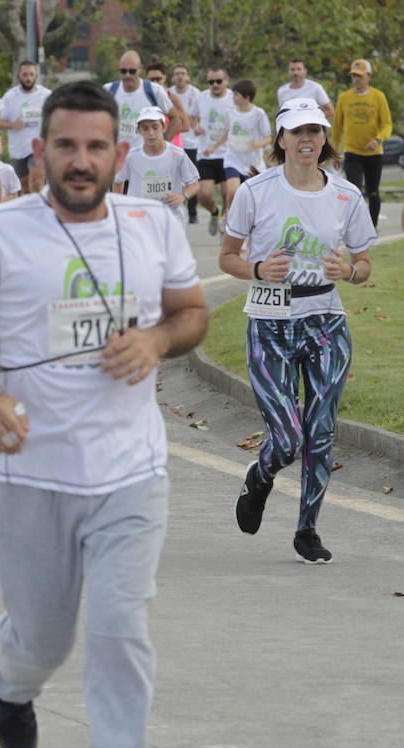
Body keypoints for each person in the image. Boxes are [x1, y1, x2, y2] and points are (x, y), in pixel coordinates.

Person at [0, 81, 209, 748]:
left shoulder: (154, 224)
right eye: (66, 145)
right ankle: (10, 681)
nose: (80, 161)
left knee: (120, 626)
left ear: (118, 154)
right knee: (44, 638)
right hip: (30, 473)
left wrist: (155, 342)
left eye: (95, 146)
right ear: (39, 149)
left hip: (130, 471)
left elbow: (192, 312)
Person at [221, 97, 375, 564]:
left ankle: (307, 530)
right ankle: (261, 475)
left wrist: (348, 271)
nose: (306, 140)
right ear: (281, 139)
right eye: (297, 131)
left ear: (324, 138)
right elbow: (226, 257)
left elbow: (365, 263)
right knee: (287, 438)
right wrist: (257, 268)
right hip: (270, 322)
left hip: (326, 321)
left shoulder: (346, 195)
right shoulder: (255, 191)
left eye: (315, 131)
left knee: (322, 429)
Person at [331, 59, 392, 228]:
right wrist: (334, 152)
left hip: (374, 153)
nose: (356, 79)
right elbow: (337, 128)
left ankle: (372, 229)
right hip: (352, 152)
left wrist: (378, 139)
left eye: (360, 76)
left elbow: (387, 124)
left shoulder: (378, 97)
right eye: (353, 76)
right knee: (354, 192)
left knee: (372, 192)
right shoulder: (344, 98)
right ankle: (355, 229)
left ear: (369, 76)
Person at [113, 107, 199, 219]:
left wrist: (183, 196)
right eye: (145, 128)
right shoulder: (130, 156)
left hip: (171, 217)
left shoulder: (178, 155)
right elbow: (118, 181)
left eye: (155, 127)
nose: (151, 133)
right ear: (139, 131)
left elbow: (194, 184)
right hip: (139, 218)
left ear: (164, 127)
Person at [205, 80, 271, 203]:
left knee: (251, 197)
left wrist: (258, 144)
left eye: (236, 95)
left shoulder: (259, 114)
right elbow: (227, 132)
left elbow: (268, 137)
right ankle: (228, 216)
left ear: (246, 97)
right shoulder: (230, 112)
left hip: (252, 162)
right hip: (233, 159)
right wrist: (214, 147)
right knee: (233, 192)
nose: (233, 98)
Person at [190, 66, 235, 235]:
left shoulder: (233, 98)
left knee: (227, 194)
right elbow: (191, 116)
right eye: (211, 82)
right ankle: (215, 213)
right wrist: (195, 127)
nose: (214, 85)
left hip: (228, 154)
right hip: (205, 153)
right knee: (203, 195)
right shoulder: (200, 98)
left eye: (218, 81)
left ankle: (225, 225)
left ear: (226, 81)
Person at [105, 50, 175, 152]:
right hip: (117, 157)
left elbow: (175, 117)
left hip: (145, 156)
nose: (127, 75)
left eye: (132, 71)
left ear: (140, 69)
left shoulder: (154, 91)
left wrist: (164, 142)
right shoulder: (108, 90)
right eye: (123, 71)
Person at [0, 60, 50, 193]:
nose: (28, 78)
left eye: (31, 74)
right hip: (18, 148)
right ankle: (28, 212)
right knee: (24, 188)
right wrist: (12, 125)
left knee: (37, 184)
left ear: (36, 76)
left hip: (39, 146)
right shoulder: (10, 97)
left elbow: (59, 115)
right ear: (18, 76)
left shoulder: (46, 95)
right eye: (25, 75)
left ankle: (39, 212)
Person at [169, 64, 202, 224]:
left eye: (183, 73)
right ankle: (174, 204)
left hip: (192, 143)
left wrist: (197, 127)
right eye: (177, 74)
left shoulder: (196, 93)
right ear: (173, 78)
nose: (180, 76)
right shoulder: (168, 93)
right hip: (174, 142)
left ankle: (193, 212)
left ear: (188, 77)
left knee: (192, 178)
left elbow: (202, 115)